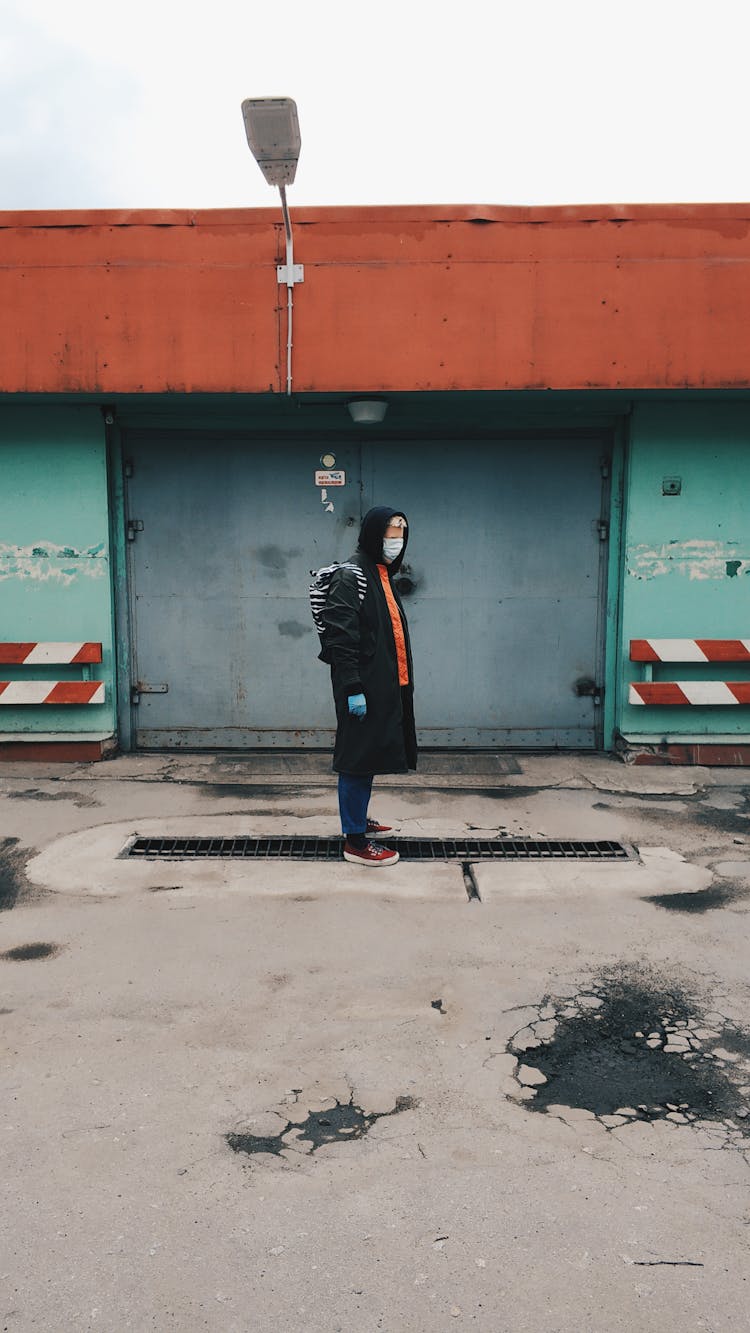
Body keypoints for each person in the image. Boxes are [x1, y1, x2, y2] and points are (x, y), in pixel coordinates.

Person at [319, 506, 417, 866]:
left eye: (402, 533)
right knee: (357, 757)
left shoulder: (380, 572)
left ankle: (359, 818)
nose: (397, 541)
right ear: (374, 533)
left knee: (369, 753)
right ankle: (355, 842)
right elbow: (340, 638)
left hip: (383, 682)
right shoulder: (352, 575)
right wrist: (352, 688)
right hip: (362, 684)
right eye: (391, 533)